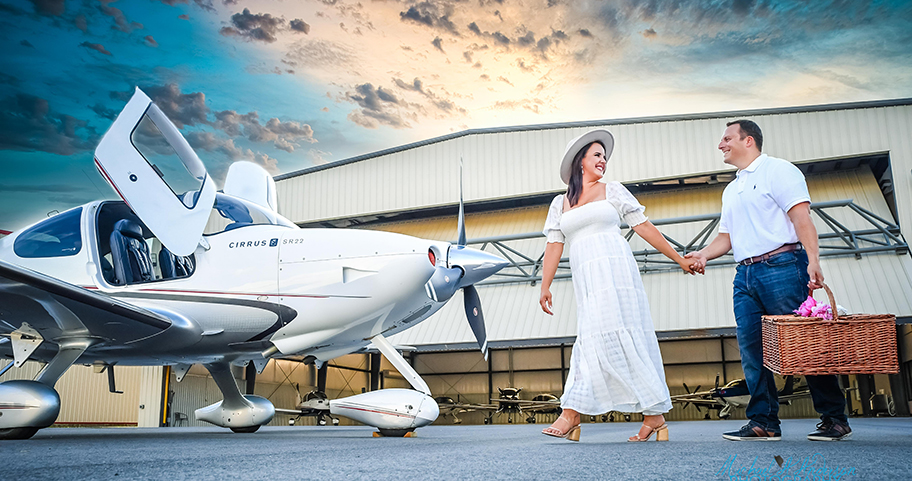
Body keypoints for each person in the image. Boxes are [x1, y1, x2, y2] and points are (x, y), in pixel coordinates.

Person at [686, 119, 851, 441]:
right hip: (744, 274)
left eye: (727, 138)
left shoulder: (779, 170)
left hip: (783, 266)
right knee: (750, 348)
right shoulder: (732, 189)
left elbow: (801, 217)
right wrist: (703, 255)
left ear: (748, 141)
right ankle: (764, 421)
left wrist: (813, 259)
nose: (721, 145)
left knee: (804, 347)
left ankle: (834, 418)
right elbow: (726, 236)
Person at [539, 129, 695, 442]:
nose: (603, 161)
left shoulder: (613, 190)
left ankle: (572, 413)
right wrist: (545, 286)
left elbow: (644, 227)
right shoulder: (560, 203)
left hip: (615, 270)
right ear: (579, 161)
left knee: (617, 331)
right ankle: (653, 417)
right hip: (586, 276)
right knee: (591, 335)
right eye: (596, 155)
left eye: (605, 156)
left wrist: (679, 259)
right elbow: (554, 244)